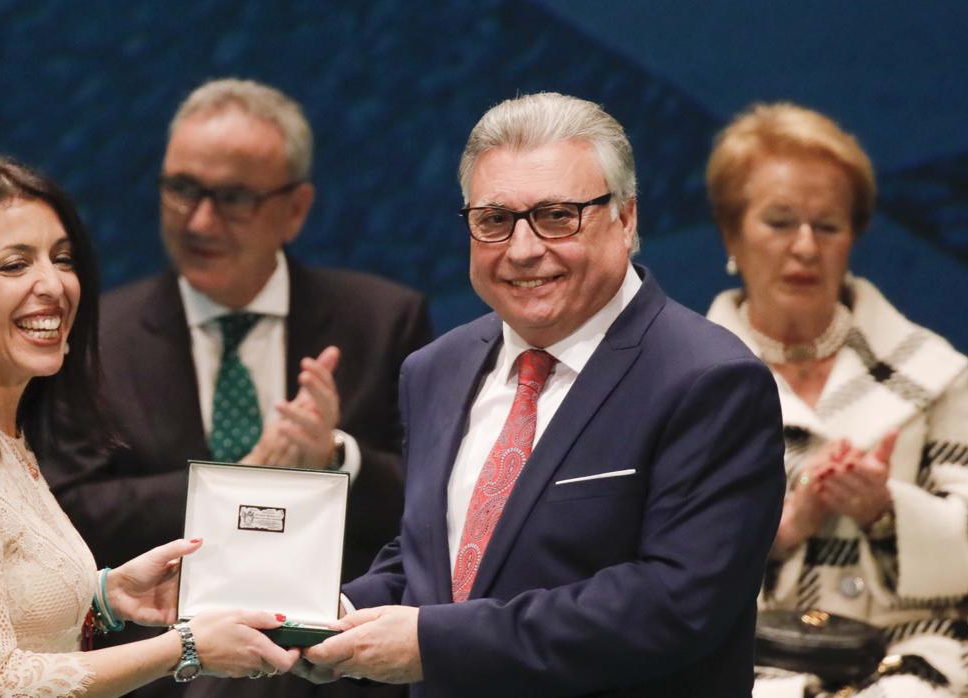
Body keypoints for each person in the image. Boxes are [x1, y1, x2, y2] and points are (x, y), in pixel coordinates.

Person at [294, 92, 787, 697]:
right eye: (494, 221)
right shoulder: (434, 369)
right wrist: (332, 613)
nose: (523, 250)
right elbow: (437, 556)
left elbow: (674, 604)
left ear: (626, 219)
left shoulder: (711, 381)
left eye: (557, 216)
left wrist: (433, 644)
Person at [35, 79, 430, 698]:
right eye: (182, 189)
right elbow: (64, 513)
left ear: (295, 209)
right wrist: (237, 482)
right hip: (159, 675)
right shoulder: (94, 337)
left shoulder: (381, 321)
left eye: (234, 198)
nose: (199, 220)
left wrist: (335, 459)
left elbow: (435, 509)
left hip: (333, 675)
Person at [0, 155, 298, 696]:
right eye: (14, 265)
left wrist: (106, 598)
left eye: (62, 259)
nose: (54, 284)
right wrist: (185, 647)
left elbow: (9, 614)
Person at [703, 102, 968, 697]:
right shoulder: (683, 381)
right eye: (780, 222)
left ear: (853, 238)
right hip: (745, 657)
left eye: (828, 226)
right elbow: (648, 573)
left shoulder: (929, 370)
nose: (805, 247)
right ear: (732, 234)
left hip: (913, 651)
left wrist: (885, 511)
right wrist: (778, 531)